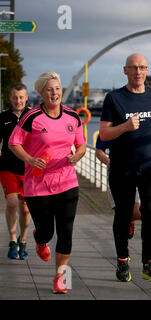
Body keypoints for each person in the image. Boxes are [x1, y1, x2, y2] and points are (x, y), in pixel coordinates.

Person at [9, 71, 86, 294]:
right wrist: (30, 159)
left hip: (67, 182)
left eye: (57, 89)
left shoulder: (73, 116)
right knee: (46, 232)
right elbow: (15, 143)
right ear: (41, 93)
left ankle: (59, 278)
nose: (55, 93)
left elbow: (81, 145)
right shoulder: (31, 117)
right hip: (37, 185)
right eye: (49, 89)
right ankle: (40, 240)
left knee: (66, 232)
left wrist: (77, 156)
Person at [99, 53, 151, 282]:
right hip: (122, 167)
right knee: (123, 213)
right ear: (125, 70)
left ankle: (149, 264)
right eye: (133, 68)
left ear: (147, 70)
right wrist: (125, 127)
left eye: (141, 68)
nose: (138, 72)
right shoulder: (114, 98)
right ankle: (122, 261)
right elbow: (104, 133)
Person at [0, 83, 31, 259]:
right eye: (15, 97)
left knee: (26, 210)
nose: (18, 101)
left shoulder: (33, 116)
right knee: (12, 203)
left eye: (21, 97)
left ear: (26, 98)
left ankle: (23, 241)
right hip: (7, 168)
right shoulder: (2, 117)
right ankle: (12, 240)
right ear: (10, 98)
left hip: (28, 169)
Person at [95, 134, 141, 239]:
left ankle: (131, 221)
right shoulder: (108, 128)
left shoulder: (139, 125)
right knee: (120, 212)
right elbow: (99, 151)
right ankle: (123, 252)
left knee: (136, 211)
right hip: (116, 174)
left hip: (137, 173)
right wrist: (108, 161)